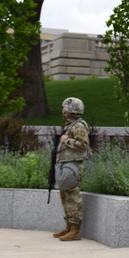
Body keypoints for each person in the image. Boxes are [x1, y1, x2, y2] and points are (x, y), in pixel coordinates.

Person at [52, 96, 92, 242]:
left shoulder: (79, 126)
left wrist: (66, 140)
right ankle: (69, 225)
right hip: (65, 163)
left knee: (72, 195)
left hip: (73, 164)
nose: (63, 111)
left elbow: (83, 145)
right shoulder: (71, 125)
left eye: (65, 109)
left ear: (69, 111)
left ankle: (75, 229)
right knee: (65, 195)